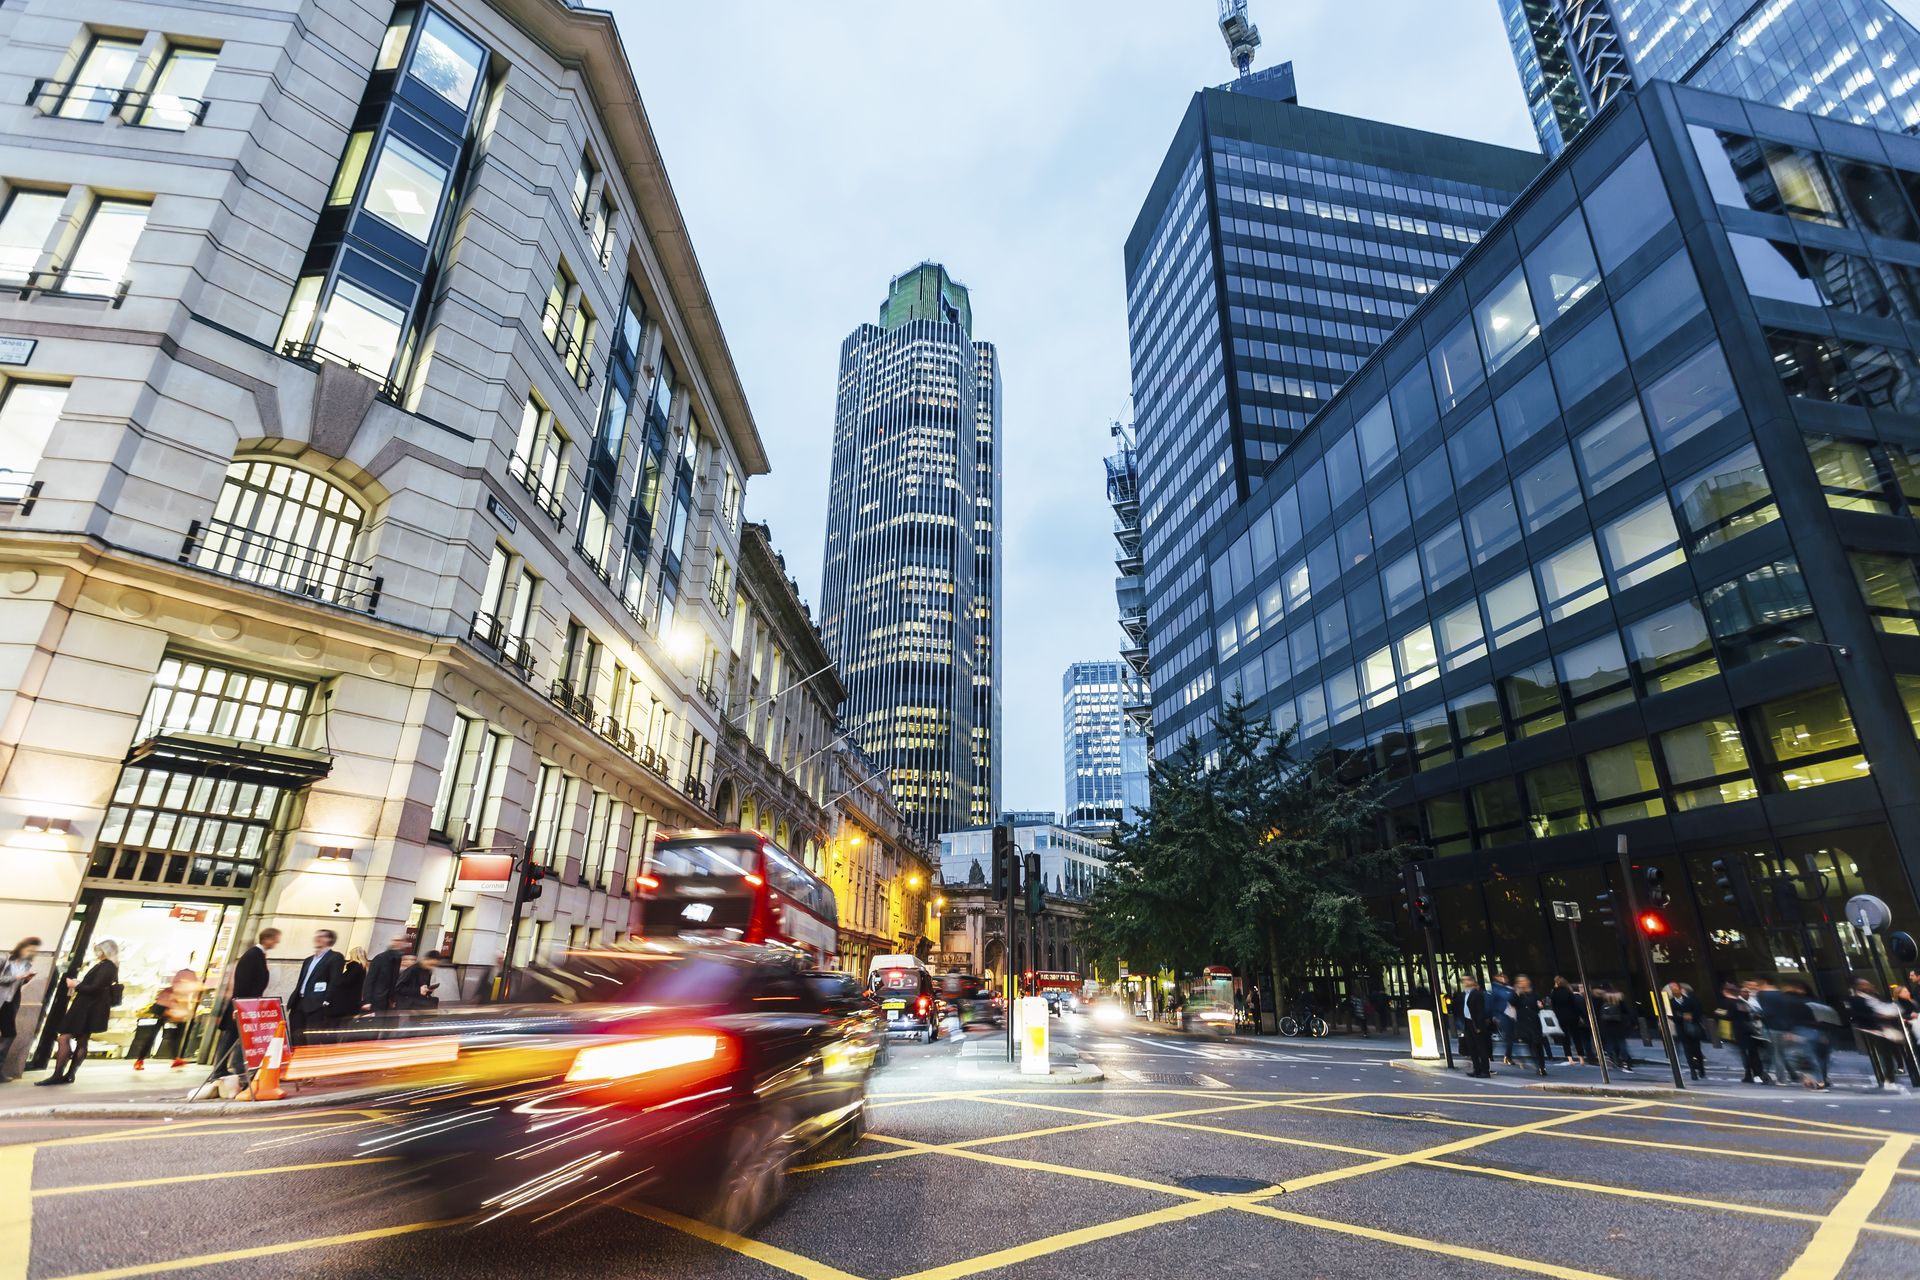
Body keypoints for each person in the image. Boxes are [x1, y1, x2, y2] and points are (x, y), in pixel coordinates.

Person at [37, 941, 118, 1086]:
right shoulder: (107, 966)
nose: (97, 953)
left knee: (64, 1038)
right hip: (89, 1007)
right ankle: (69, 1074)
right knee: (82, 1040)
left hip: (87, 1008)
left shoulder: (108, 966)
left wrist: (76, 985)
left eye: (99, 950)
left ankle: (58, 1074)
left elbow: (95, 988)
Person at [287, 929, 342, 1046]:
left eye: (322, 936)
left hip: (317, 1004)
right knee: (296, 1037)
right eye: (317, 936)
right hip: (299, 1002)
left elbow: (335, 980)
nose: (317, 938)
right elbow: (301, 981)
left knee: (312, 1038)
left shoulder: (335, 957)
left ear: (330, 940)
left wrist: (326, 1001)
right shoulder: (308, 960)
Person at [0, 937, 41, 1082]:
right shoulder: (5, 959)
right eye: (29, 949)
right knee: (9, 1034)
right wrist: (16, 977)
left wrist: (25, 980)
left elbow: (17, 985)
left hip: (9, 1004)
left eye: (34, 951)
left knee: (9, 1034)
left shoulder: (27, 964)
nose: (31, 952)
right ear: (21, 947)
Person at [1717, 981, 1771, 1084]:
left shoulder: (1726, 1002)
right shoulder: (1740, 1002)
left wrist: (1719, 1012)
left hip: (1737, 1031)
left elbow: (1726, 1015)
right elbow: (1747, 1015)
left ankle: (1750, 1075)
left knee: (1745, 1053)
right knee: (1752, 1053)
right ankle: (1757, 1074)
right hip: (1748, 1030)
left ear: (1725, 992)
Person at [1508, 976, 1549, 1075]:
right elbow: (1512, 1003)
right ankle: (1538, 1066)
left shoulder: (1534, 994)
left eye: (1523, 981)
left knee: (1538, 1044)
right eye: (1520, 981)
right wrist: (1517, 993)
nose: (1522, 983)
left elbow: (1539, 1005)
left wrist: (1540, 1005)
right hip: (1523, 1023)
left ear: (1527, 982)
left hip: (1534, 1022)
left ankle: (1542, 1066)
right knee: (1531, 1044)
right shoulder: (1517, 994)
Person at [1668, 981, 1707, 1081]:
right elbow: (1671, 1015)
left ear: (1680, 989)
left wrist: (1692, 1016)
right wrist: (1682, 1016)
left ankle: (1701, 1068)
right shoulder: (1670, 1002)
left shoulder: (1691, 1000)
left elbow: (1699, 1011)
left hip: (1693, 1027)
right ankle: (1693, 1071)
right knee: (1687, 1051)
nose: (1674, 990)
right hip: (1682, 1029)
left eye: (1675, 988)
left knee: (1697, 1050)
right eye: (1672, 989)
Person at [363, 935, 410, 1014]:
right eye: (396, 941)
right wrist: (367, 1001)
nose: (399, 943)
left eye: (401, 941)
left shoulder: (397, 959)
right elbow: (369, 980)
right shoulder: (380, 958)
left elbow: (393, 980)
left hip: (387, 1001)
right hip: (376, 1000)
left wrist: (392, 999)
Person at [1459, 975, 1493, 1077]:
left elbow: (1480, 1011)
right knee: (1472, 1047)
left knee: (1481, 1047)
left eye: (1467, 980)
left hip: (1476, 1024)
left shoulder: (1477, 994)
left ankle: (1485, 1071)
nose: (1465, 982)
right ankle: (1476, 1069)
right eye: (1464, 980)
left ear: (1473, 981)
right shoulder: (1465, 994)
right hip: (1468, 1022)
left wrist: (1479, 1026)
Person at [1549, 976, 1587, 1065]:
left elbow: (1553, 1006)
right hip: (1572, 1016)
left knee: (1565, 1038)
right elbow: (1574, 1005)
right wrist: (1581, 1015)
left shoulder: (1554, 993)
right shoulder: (1569, 992)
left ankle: (1570, 1059)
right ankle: (1581, 1058)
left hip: (1561, 1017)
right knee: (1576, 1037)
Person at [1597, 988, 1635, 1072]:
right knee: (1622, 1044)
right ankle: (1625, 1062)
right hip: (1619, 1027)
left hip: (1607, 1028)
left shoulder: (1604, 1003)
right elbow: (1629, 1013)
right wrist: (1632, 1024)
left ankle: (1612, 1060)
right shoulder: (1620, 1003)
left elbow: (1600, 1016)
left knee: (1609, 1044)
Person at [1487, 973, 1515, 1065]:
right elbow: (1492, 1003)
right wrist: (1495, 1016)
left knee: (1509, 1037)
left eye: (1504, 977)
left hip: (1510, 1015)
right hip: (1502, 1015)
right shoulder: (1496, 989)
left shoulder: (1507, 988)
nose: (1504, 979)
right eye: (1501, 977)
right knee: (1508, 1037)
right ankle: (1507, 1056)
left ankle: (1507, 1055)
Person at [336, 947, 367, 1018]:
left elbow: (347, 981)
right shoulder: (363, 967)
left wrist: (338, 978)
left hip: (346, 998)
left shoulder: (354, 965)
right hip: (355, 997)